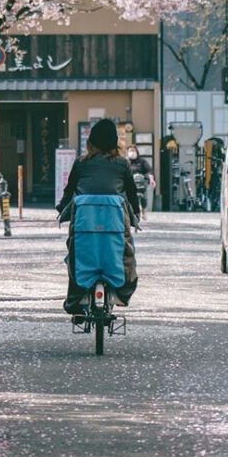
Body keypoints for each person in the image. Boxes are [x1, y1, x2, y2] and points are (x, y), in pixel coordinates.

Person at [56, 118, 140, 317]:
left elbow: (69, 192)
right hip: (116, 221)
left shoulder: (81, 163)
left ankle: (75, 300)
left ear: (90, 142)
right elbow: (132, 192)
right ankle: (121, 292)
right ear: (114, 142)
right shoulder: (122, 164)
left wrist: (61, 209)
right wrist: (136, 213)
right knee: (126, 252)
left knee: (75, 254)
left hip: (84, 221)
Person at [126, 144, 154, 216]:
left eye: (133, 150)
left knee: (144, 199)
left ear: (137, 152)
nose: (132, 152)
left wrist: (151, 179)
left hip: (142, 183)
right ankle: (134, 212)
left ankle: (143, 209)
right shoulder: (126, 162)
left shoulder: (142, 161)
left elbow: (149, 171)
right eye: (130, 151)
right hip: (130, 183)